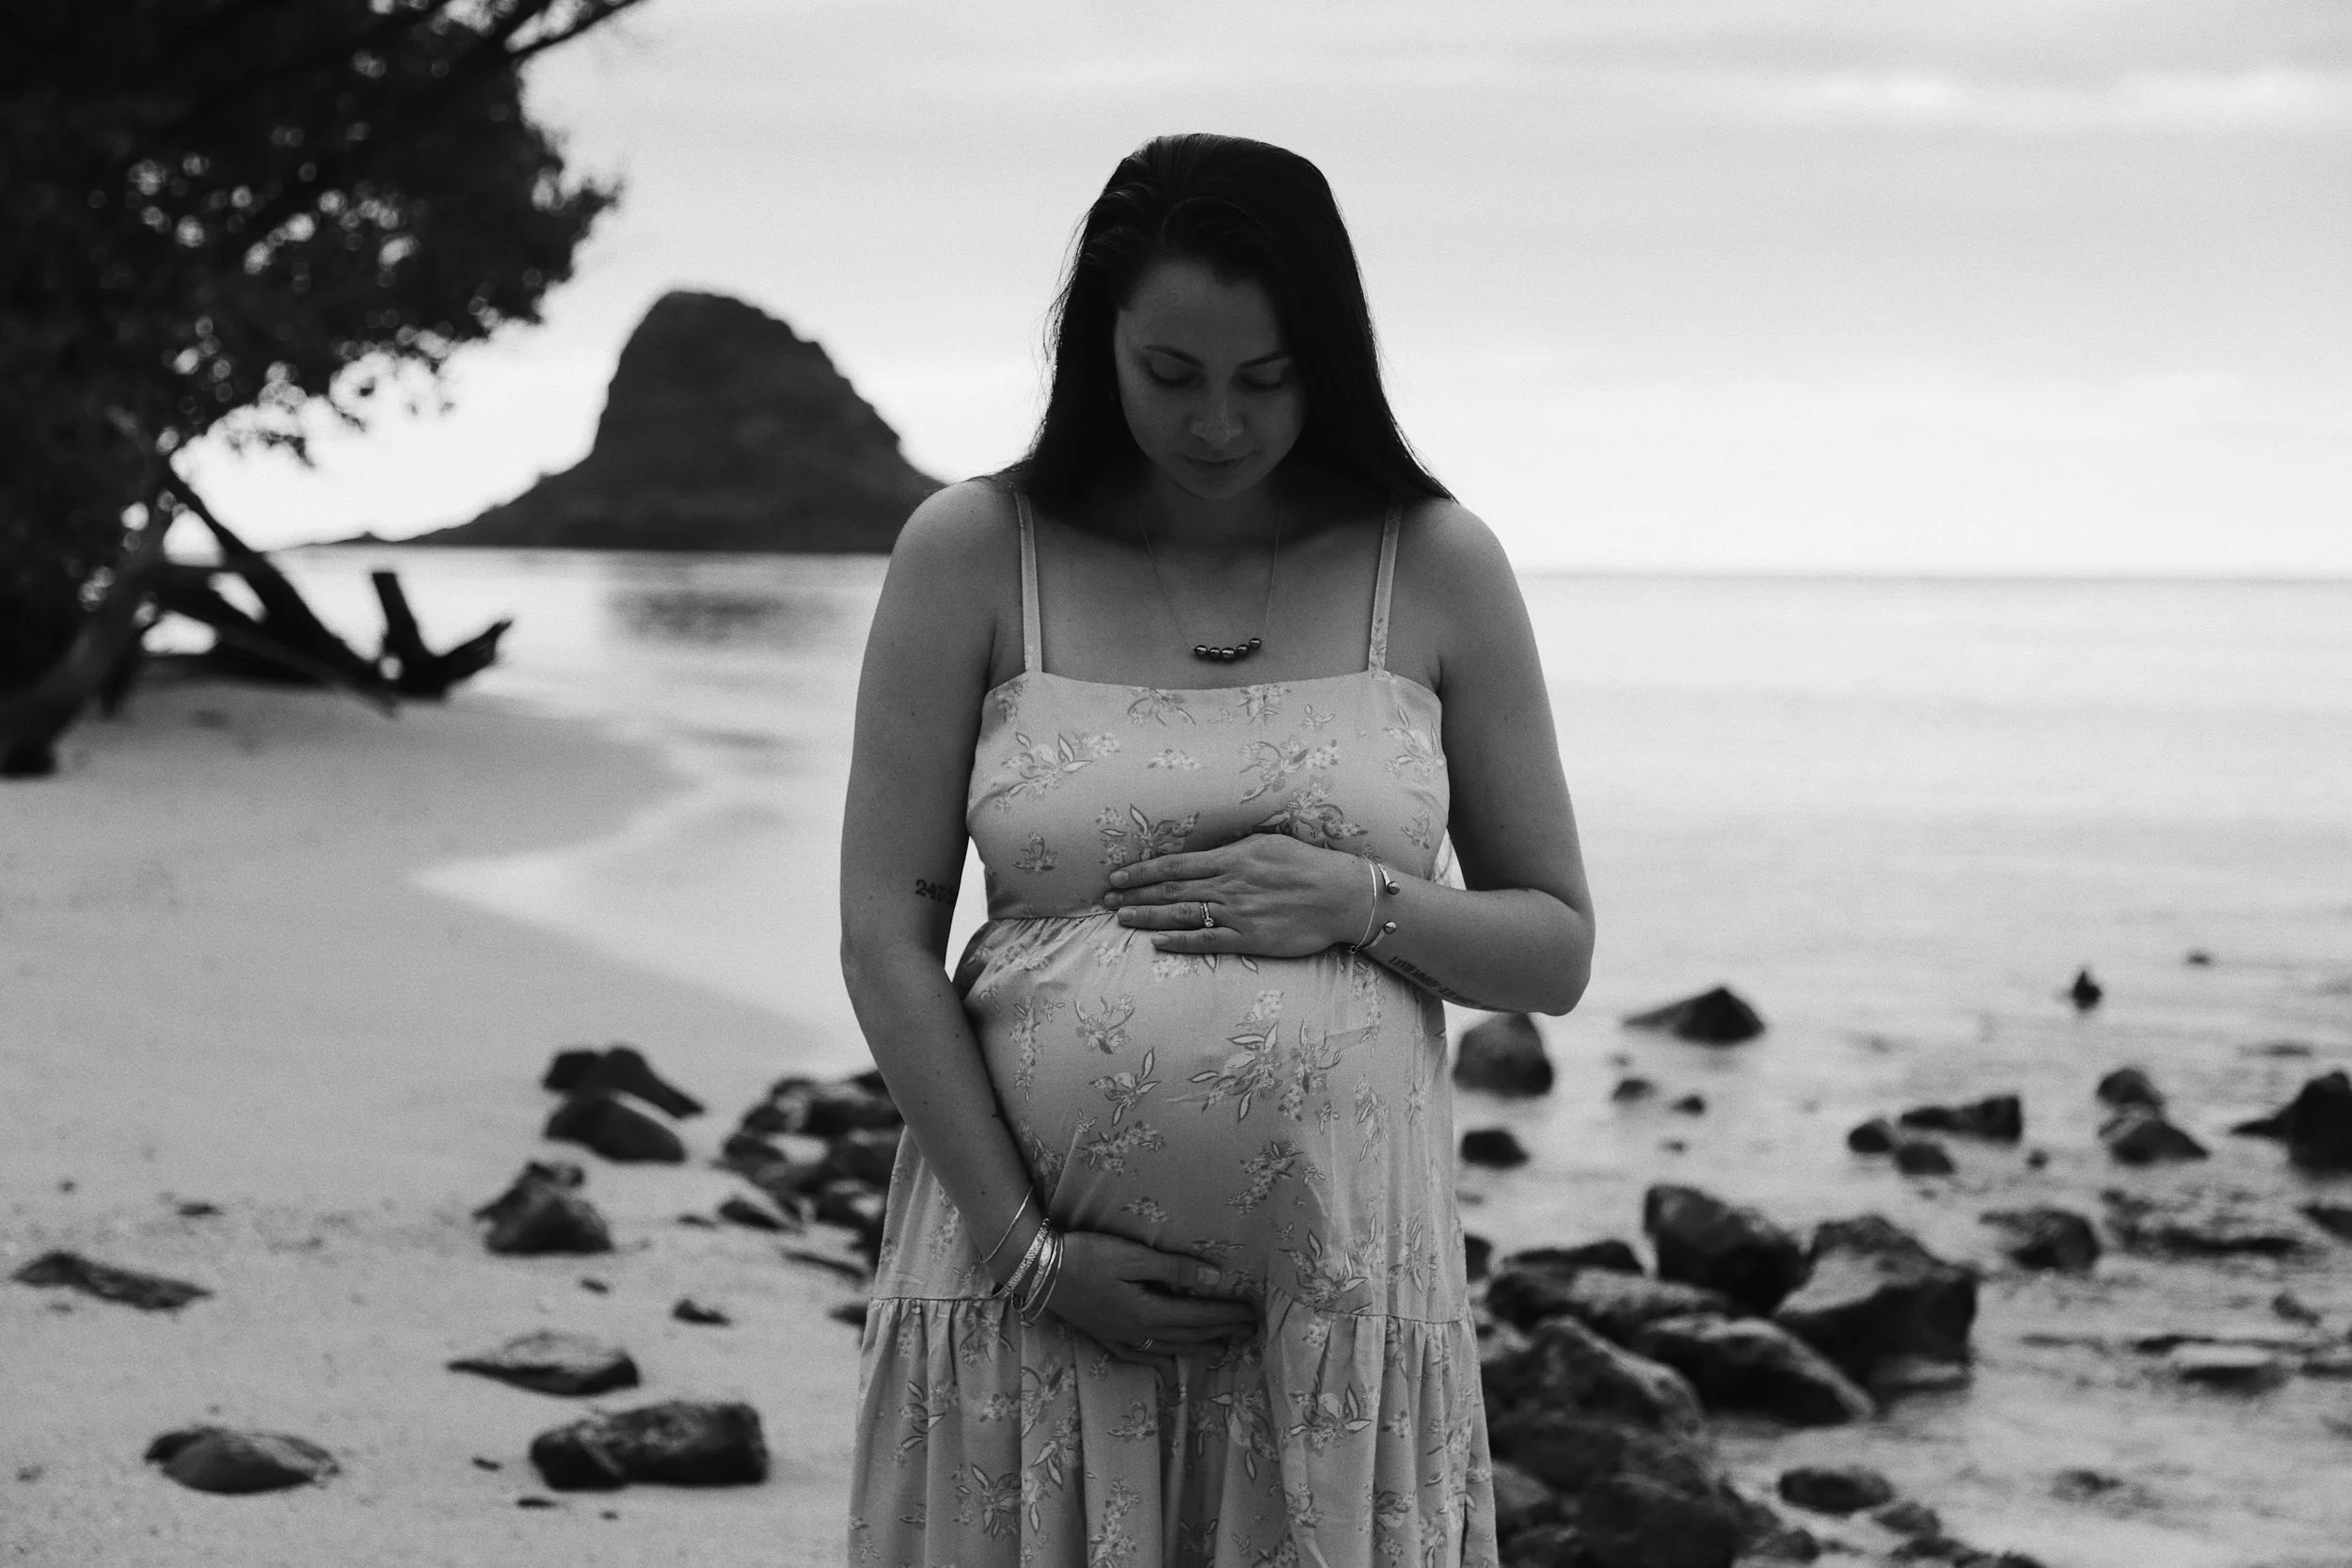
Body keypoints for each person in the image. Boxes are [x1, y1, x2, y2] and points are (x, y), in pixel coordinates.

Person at [838, 132, 1593, 1568]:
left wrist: (1364, 900)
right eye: (1171, 374)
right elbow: (884, 932)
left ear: (1333, 355)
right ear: (1094, 345)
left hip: (1336, 1324)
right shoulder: (973, 551)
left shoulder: (1433, 564)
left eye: (1267, 377)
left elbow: (1554, 946)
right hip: (1023, 1296)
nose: (1219, 425)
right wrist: (1031, 1257)